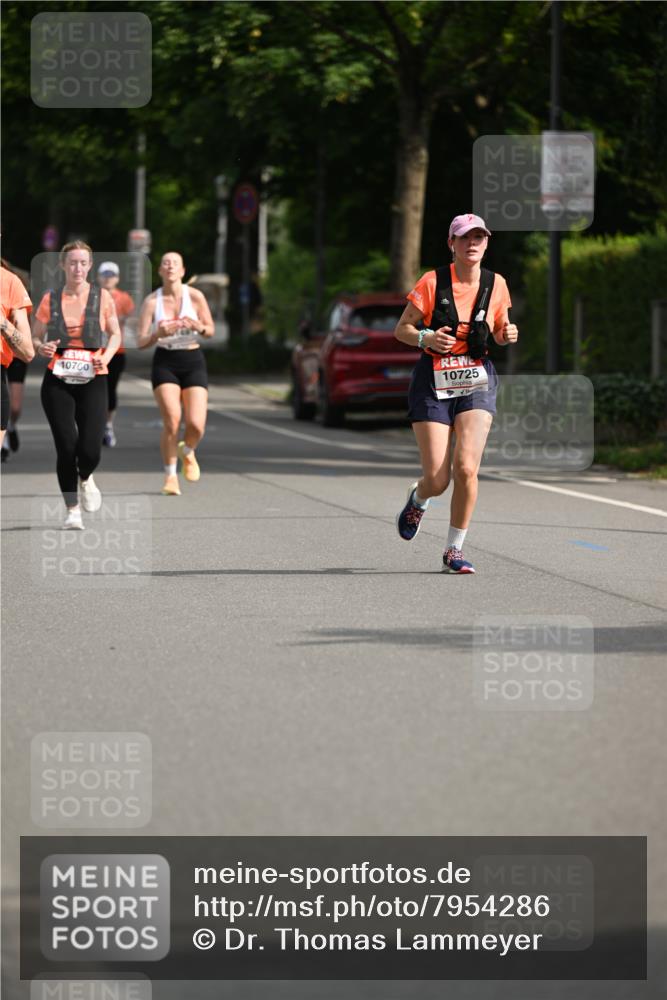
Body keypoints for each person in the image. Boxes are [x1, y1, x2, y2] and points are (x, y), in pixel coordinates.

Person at [393, 213, 518, 574]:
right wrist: (426, 337)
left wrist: (505, 335)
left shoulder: (497, 285)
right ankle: (419, 498)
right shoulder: (433, 282)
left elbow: (498, 329)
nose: (472, 243)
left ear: (486, 243)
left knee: (466, 468)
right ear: (452, 244)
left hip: (476, 379)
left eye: (479, 237)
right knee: (439, 478)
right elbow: (402, 329)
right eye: (464, 238)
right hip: (433, 382)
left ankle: (454, 550)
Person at [32, 241, 122, 529]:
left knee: (91, 448)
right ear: (63, 265)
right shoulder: (51, 298)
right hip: (57, 379)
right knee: (66, 446)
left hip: (94, 376)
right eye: (72, 263)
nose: (78, 268)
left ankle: (86, 477)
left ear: (90, 265)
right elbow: (34, 337)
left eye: (83, 263)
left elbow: (116, 335)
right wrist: (41, 346)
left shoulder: (102, 297)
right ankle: (72, 510)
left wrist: (106, 355)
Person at [137, 251, 214, 496]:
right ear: (160, 271)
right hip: (165, 361)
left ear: (182, 271)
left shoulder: (196, 296)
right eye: (165, 263)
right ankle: (171, 476)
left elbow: (209, 330)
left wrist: (198, 326)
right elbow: (139, 341)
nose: (170, 267)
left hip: (193, 359)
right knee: (172, 420)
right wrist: (157, 334)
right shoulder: (152, 301)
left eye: (175, 264)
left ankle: (188, 451)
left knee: (196, 425)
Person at [96, 261, 135, 447]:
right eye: (104, 274)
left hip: (116, 352)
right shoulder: (90, 296)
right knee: (95, 390)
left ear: (117, 278)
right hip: (94, 351)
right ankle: (94, 425)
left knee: (110, 389)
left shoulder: (124, 298)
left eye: (111, 275)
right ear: (98, 277)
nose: (108, 278)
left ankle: (108, 425)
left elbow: (131, 321)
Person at [1, 262, 35, 451]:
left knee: (16, 407)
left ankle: (10, 430)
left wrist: (3, 324)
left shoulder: (11, 281)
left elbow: (28, 352)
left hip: (5, 363)